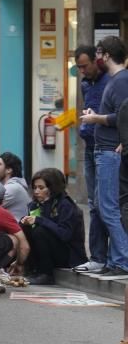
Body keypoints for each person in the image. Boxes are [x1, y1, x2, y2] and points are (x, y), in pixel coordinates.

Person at [82, 36, 128, 281]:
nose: (97, 58)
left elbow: (122, 116)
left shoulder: (120, 81)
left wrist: (95, 119)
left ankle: (123, 258)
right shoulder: (116, 80)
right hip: (106, 150)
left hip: (110, 152)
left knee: (108, 208)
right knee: (104, 206)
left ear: (107, 55)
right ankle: (115, 259)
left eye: (99, 53)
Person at [72, 44, 111, 274]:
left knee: (105, 204)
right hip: (89, 145)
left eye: (84, 66)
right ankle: (98, 256)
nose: (82, 71)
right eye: (78, 67)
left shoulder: (110, 82)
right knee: (95, 204)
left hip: (105, 146)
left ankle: (109, 256)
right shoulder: (86, 84)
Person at [20, 168, 87, 285]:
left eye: (41, 188)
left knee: (40, 231)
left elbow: (65, 234)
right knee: (25, 229)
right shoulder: (35, 204)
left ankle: (46, 274)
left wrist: (40, 220)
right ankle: (30, 269)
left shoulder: (65, 204)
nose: (36, 191)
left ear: (52, 188)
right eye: (35, 188)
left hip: (68, 254)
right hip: (50, 248)